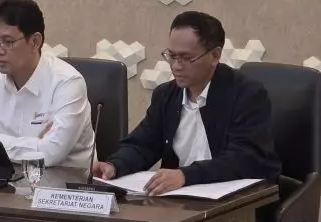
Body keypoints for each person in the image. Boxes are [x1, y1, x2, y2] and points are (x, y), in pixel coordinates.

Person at [93, 11, 280, 193]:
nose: (176, 66)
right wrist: (115, 165)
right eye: (172, 56)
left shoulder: (246, 94)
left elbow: (244, 158)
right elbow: (142, 144)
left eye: (186, 58)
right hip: (181, 200)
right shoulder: (166, 95)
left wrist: (186, 175)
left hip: (240, 200)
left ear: (215, 56)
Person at [0, 0, 94, 167]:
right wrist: (34, 145)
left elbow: (50, 153)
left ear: (35, 42)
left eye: (8, 42)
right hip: (4, 178)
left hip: (62, 181)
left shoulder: (67, 83)